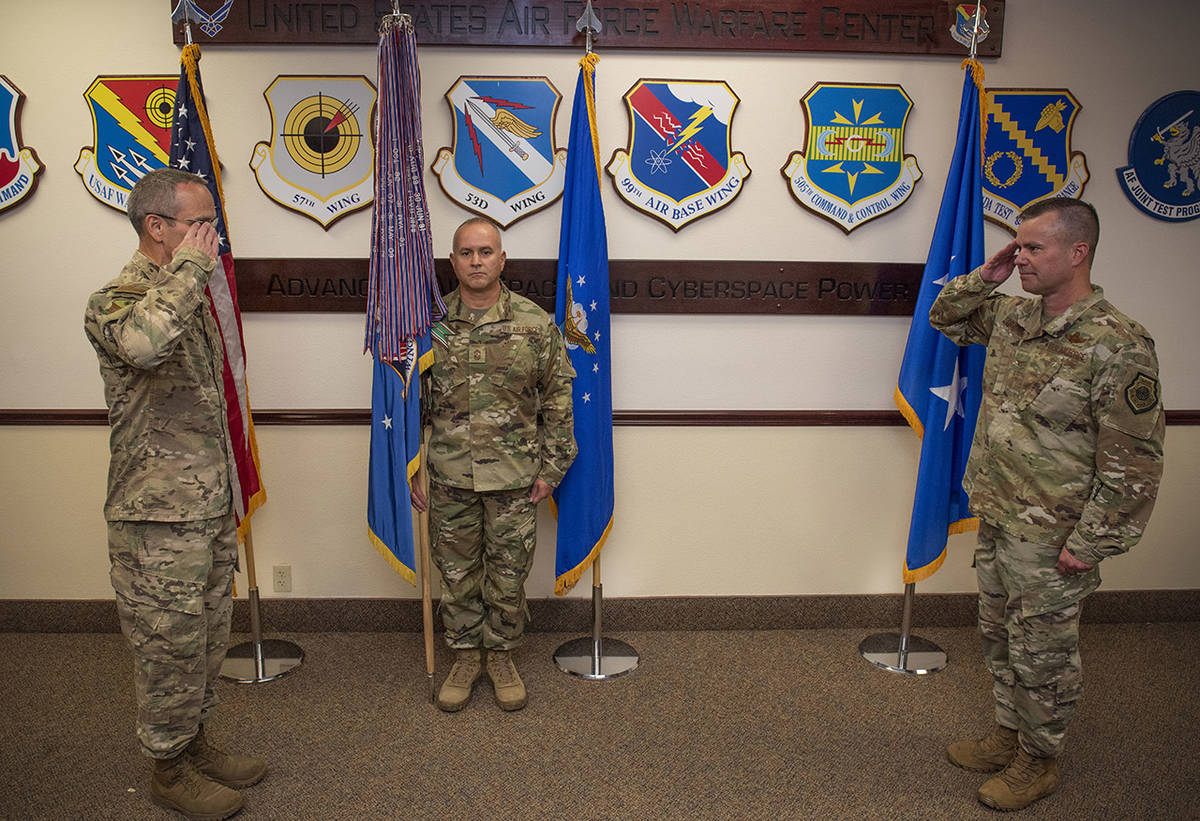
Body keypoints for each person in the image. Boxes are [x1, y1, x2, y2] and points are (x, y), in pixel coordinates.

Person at [930, 198, 1164, 811]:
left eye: (1033, 248)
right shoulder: (1013, 318)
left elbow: (1134, 463)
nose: (1021, 257)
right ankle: (1009, 736)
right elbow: (944, 317)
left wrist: (1089, 546)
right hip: (1001, 515)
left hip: (1056, 536)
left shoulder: (1118, 343)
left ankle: (1039, 760)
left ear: (1078, 252)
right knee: (997, 636)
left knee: (1044, 652)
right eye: (1018, 245)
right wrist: (988, 274)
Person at [84, 168, 266, 821]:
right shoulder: (115, 299)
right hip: (156, 519)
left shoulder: (192, 296)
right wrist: (192, 268)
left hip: (208, 505)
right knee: (168, 640)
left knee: (209, 634)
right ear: (156, 227)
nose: (211, 236)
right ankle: (167, 767)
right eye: (198, 222)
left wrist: (192, 272)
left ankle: (194, 743)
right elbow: (145, 345)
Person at [410, 217, 577, 713]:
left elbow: (558, 401)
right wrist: (411, 467)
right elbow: (408, 402)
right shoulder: (428, 324)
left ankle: (501, 655)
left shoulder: (534, 323)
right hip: (448, 475)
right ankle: (464, 655)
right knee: (457, 575)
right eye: (466, 253)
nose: (476, 261)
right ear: (453, 261)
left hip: (514, 478)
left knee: (508, 576)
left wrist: (552, 470)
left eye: (486, 252)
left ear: (502, 260)